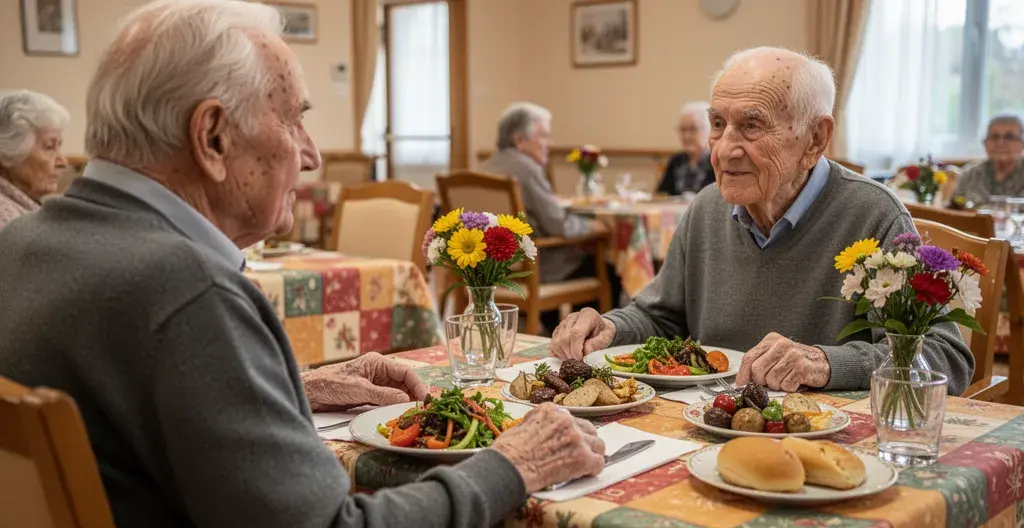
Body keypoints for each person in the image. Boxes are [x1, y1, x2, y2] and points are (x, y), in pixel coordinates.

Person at [0, 2, 605, 527]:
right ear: (211, 137)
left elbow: (140, 420)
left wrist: (294, 387)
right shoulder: (188, 294)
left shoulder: (21, 244)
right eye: (293, 119)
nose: (312, 154)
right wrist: (515, 464)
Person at [549, 46, 973, 396]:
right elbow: (661, 317)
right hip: (708, 423)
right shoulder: (706, 209)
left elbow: (946, 358)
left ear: (815, 138)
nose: (723, 150)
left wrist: (825, 363)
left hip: (824, 440)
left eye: (751, 126)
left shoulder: (873, 214)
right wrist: (608, 327)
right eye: (718, 125)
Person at [480, 102, 622, 331]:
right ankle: (594, 342)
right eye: (544, 136)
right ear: (519, 140)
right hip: (537, 265)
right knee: (608, 266)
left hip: (499, 266)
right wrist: (595, 227)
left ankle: (552, 330)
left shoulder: (487, 167)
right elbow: (558, 225)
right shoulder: (526, 169)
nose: (550, 143)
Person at [0, 90, 69, 229]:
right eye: (49, 147)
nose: (63, 162)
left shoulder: (25, 205)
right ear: (8, 152)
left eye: (59, 146)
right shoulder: (5, 219)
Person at [955, 114, 1024, 204]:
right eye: (994, 137)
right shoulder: (970, 174)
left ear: (1022, 144)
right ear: (985, 143)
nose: (1001, 143)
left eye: (1009, 137)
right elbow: (956, 207)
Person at [656, 101, 715, 196]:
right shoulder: (676, 161)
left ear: (709, 130)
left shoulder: (715, 161)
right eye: (683, 130)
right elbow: (661, 194)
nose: (687, 136)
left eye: (693, 129)